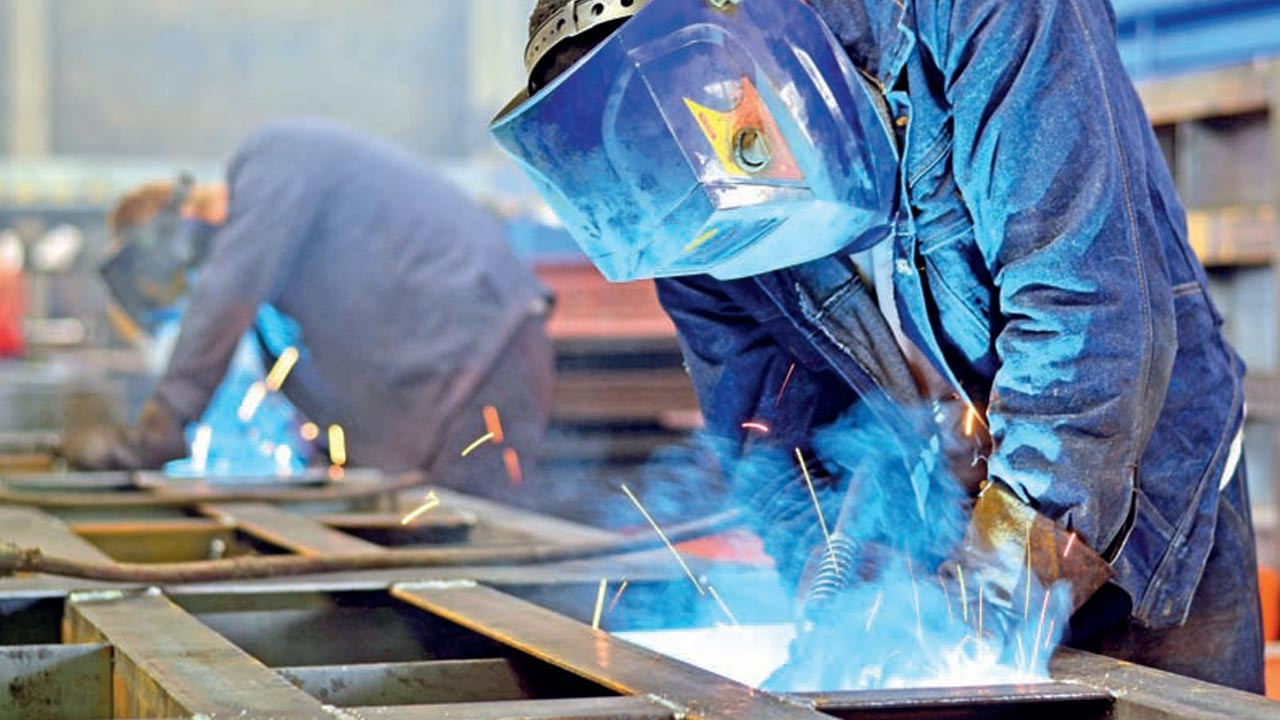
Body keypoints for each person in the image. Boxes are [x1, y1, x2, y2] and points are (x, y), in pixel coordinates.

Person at [490, 0, 1262, 692]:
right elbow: (768, 434)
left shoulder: (986, 15)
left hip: (1139, 505)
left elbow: (1084, 309)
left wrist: (984, 603)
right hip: (934, 505)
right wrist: (841, 611)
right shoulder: (671, 194)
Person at [64, 120, 554, 508]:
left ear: (184, 222)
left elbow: (225, 297)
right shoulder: (275, 262)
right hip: (449, 380)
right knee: (413, 539)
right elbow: (304, 369)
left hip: (489, 358)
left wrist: (160, 428)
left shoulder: (270, 158)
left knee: (466, 547)